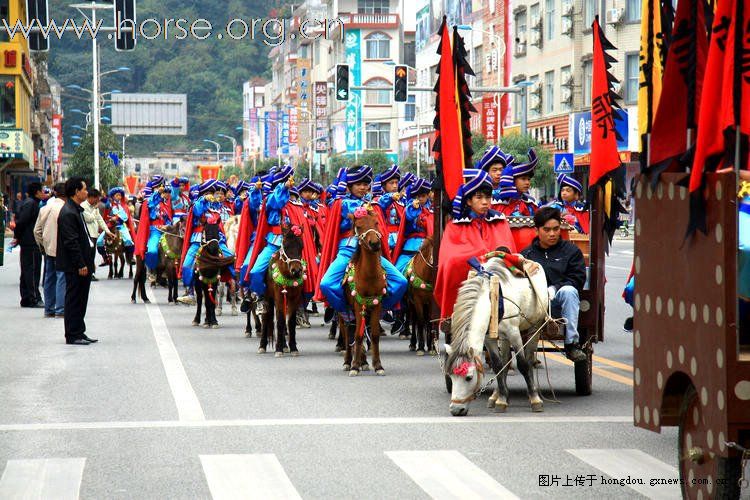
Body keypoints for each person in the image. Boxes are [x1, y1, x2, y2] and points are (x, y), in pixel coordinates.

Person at [317, 165, 408, 323]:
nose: (362, 188)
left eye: (366, 184)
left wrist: (388, 198)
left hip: (371, 253)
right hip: (347, 252)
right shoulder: (342, 203)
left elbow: (379, 205)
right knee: (326, 284)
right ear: (350, 186)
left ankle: (381, 309)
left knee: (401, 282)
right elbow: (355, 208)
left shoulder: (371, 203)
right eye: (358, 184)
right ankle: (344, 312)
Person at [434, 169, 516, 319]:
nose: (485, 202)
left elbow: (509, 251)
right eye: (479, 197)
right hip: (468, 277)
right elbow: (450, 259)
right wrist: (481, 256)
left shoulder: (499, 220)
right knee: (452, 265)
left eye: (488, 197)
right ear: (469, 200)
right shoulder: (455, 225)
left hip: (498, 277)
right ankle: (453, 315)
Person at [520, 206, 586, 362]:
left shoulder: (571, 252)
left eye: (556, 229)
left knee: (570, 291)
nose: (552, 234)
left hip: (558, 304)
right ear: (537, 230)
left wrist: (555, 288)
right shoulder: (526, 255)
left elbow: (577, 279)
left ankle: (571, 344)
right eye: (547, 229)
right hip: (532, 306)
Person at [56, 177, 98, 345]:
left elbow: (84, 239)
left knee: (82, 298)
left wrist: (88, 260)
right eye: (85, 189)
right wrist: (80, 263)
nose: (87, 192)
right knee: (74, 298)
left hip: (84, 262)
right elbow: (71, 242)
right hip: (74, 265)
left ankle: (80, 331)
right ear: (76, 192)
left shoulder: (77, 210)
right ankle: (72, 334)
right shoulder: (68, 213)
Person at [33, 182, 67, 317]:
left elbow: (36, 231)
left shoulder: (44, 208)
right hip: (62, 249)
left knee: (49, 278)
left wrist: (44, 246)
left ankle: (49, 309)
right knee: (61, 277)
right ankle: (60, 309)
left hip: (48, 249)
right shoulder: (66, 208)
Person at [14, 182, 45, 307]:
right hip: (31, 243)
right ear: (37, 192)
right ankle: (34, 298)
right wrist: (17, 236)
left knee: (27, 270)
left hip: (28, 242)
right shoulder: (31, 204)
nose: (44, 193)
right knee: (32, 271)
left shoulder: (32, 203)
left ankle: (26, 298)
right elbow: (21, 222)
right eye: (42, 190)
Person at [82, 189, 113, 281]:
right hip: (88, 235)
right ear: (91, 197)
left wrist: (107, 231)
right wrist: (95, 210)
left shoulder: (94, 208)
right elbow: (89, 218)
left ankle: (91, 273)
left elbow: (100, 219)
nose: (98, 201)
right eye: (97, 199)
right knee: (88, 255)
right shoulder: (83, 206)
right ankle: (89, 273)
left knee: (92, 255)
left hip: (94, 235)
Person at [475, 145, 514, 210]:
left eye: (501, 170)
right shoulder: (478, 191)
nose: (499, 173)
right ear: (487, 172)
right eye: (494, 170)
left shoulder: (511, 191)